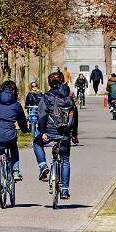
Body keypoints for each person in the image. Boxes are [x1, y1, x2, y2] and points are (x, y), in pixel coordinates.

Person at [33, 71, 76, 199]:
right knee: (65, 160)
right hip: (65, 133)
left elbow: (42, 116)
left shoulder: (46, 97)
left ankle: (43, 166)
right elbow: (74, 115)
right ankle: (64, 190)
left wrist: (42, 132)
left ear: (50, 83)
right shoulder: (69, 96)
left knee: (36, 143)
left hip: (50, 132)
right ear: (62, 81)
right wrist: (74, 134)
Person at [0, 80, 29, 195]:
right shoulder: (16, 105)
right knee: (13, 147)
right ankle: (15, 171)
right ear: (14, 92)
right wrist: (25, 130)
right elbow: (22, 121)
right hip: (9, 136)